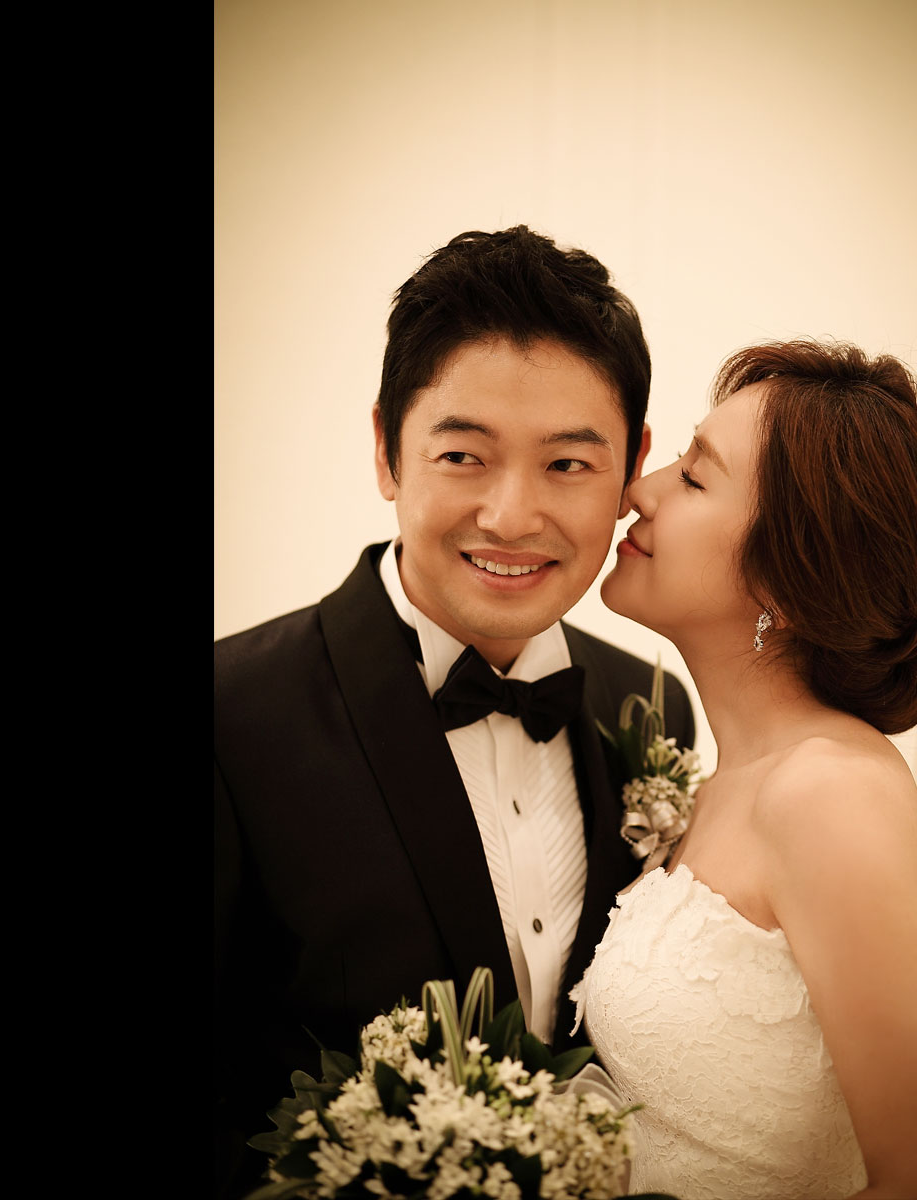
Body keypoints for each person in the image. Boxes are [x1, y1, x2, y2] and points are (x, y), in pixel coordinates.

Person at [213, 227, 696, 1200]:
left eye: (568, 465)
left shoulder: (653, 706)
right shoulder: (232, 715)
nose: (511, 517)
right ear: (387, 450)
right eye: (464, 455)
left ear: (632, 465)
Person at [570, 339, 917, 1199]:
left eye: (693, 477)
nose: (639, 490)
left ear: (787, 575)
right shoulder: (726, 784)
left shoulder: (829, 794)